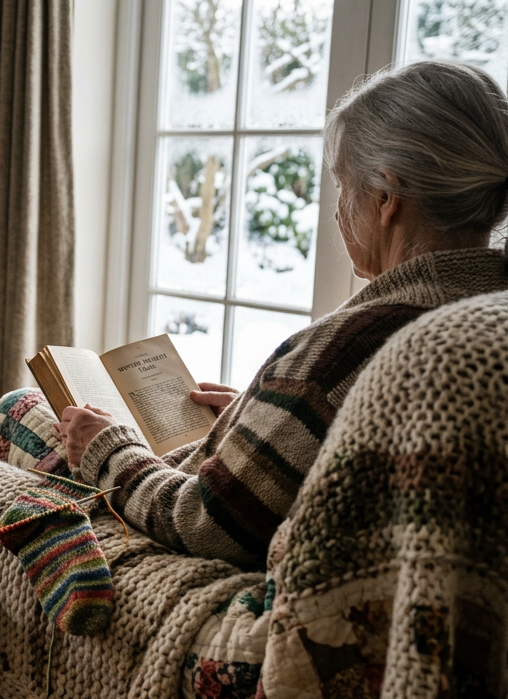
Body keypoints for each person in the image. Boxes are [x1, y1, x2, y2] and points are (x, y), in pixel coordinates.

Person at [54, 60, 508, 568]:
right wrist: (261, 413)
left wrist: (108, 449)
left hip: (213, 559)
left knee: (25, 413)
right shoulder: (485, 311)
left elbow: (207, 523)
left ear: (385, 196)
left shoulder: (350, 346)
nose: (338, 210)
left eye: (342, 184)